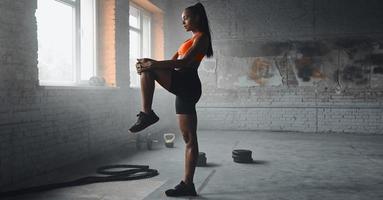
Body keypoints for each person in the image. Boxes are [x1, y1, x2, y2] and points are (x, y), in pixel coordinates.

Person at [128, 2, 213, 197]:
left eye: (186, 17)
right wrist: (146, 65)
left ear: (197, 18)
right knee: (187, 138)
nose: (183, 21)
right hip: (181, 84)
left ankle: (147, 114)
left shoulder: (202, 39)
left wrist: (152, 64)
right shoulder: (186, 41)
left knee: (191, 139)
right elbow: (170, 64)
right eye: (182, 18)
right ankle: (188, 185)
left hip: (188, 83)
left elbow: (184, 63)